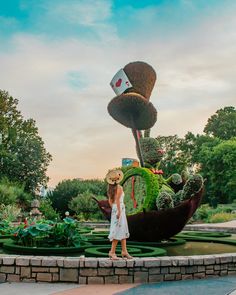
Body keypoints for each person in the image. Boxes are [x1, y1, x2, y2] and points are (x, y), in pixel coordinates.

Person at [106, 169, 133, 260]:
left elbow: (110, 201)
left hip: (115, 209)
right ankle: (112, 252)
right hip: (119, 209)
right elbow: (118, 200)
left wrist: (115, 209)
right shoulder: (119, 188)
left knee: (122, 229)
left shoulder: (110, 188)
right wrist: (119, 211)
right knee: (118, 230)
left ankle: (124, 251)